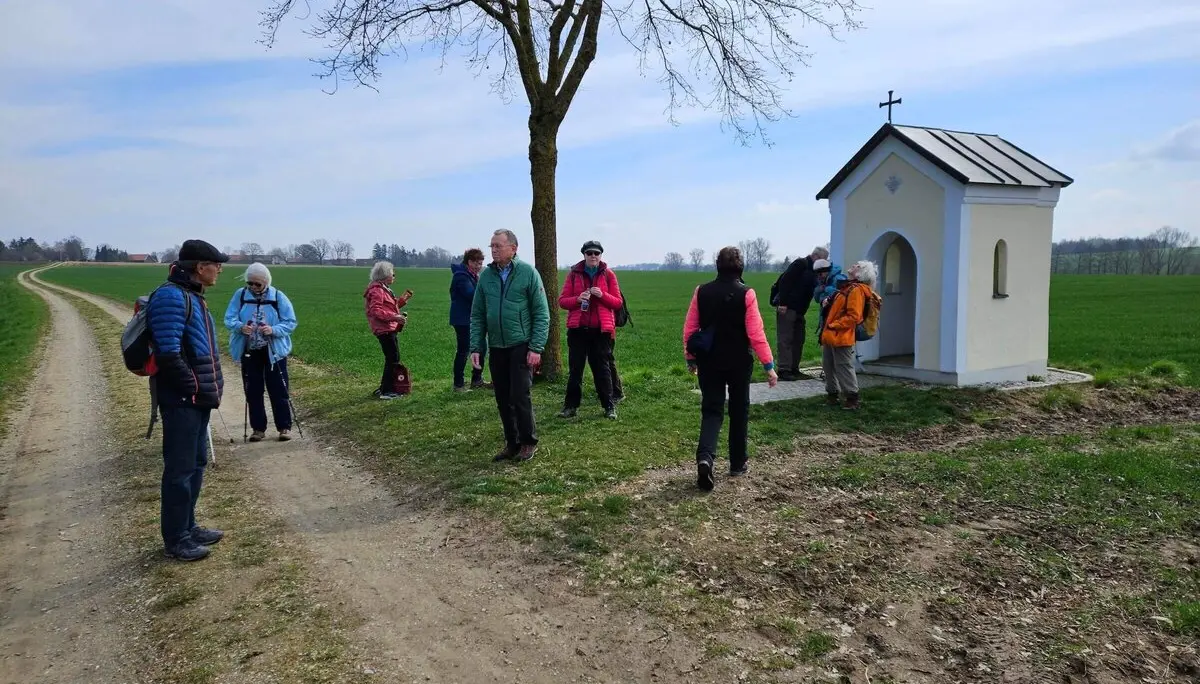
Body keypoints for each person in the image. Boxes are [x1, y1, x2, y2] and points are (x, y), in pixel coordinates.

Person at [147, 239, 230, 562]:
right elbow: (168, 353)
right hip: (183, 398)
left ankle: (189, 526)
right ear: (199, 267)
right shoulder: (170, 297)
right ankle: (176, 538)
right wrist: (193, 387)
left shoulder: (192, 295)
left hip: (197, 397)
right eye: (216, 265)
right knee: (179, 470)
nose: (219, 270)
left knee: (195, 463)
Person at [683, 246, 778, 492]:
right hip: (738, 361)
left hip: (709, 360)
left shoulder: (701, 291)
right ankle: (737, 463)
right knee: (739, 411)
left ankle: (705, 458)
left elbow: (690, 328)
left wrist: (690, 357)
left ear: (717, 265)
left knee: (711, 411)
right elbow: (756, 334)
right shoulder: (747, 293)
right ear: (740, 267)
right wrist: (768, 365)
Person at [469, 229, 550, 463]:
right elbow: (477, 314)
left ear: (513, 248)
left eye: (498, 246)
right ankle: (512, 443)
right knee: (502, 396)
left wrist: (536, 347)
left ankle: (528, 441)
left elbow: (541, 313)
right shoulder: (486, 276)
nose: (493, 250)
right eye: (492, 246)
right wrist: (476, 347)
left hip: (521, 344)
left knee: (519, 394)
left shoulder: (527, 273)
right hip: (497, 346)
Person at [224, 262, 298, 442]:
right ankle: (258, 429)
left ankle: (284, 427)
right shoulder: (240, 295)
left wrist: (273, 330)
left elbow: (290, 322)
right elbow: (229, 318)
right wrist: (240, 327)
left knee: (279, 389)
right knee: (253, 390)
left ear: (266, 282)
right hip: (249, 349)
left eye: (257, 284)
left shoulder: (278, 297)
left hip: (274, 351)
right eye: (249, 283)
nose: (253, 287)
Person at [557, 240, 623, 420]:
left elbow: (617, 302)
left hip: (600, 331)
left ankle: (609, 406)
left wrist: (602, 295)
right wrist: (578, 299)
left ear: (601, 255)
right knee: (575, 370)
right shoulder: (574, 274)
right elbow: (562, 301)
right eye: (589, 253)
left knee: (602, 370)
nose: (593, 256)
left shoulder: (608, 274)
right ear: (584, 255)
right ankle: (570, 407)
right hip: (578, 329)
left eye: (596, 253)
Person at [820, 260, 878, 411]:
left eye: (858, 265)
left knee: (843, 366)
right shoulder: (848, 287)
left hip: (841, 334)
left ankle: (852, 398)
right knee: (828, 365)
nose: (854, 265)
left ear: (861, 273)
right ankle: (832, 395)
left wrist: (834, 325)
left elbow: (854, 316)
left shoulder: (856, 290)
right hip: (832, 333)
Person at [772, 246, 828, 381]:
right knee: (785, 339)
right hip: (788, 308)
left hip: (800, 310)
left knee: (799, 339)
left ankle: (794, 368)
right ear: (816, 256)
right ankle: (784, 370)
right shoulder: (800, 264)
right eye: (823, 259)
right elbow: (785, 281)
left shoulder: (813, 271)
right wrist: (783, 303)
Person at [364, 261, 412, 400]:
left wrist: (400, 302)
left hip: (387, 328)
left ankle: (384, 387)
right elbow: (376, 310)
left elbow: (387, 307)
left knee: (391, 358)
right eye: (392, 274)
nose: (394, 276)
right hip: (384, 329)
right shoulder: (377, 290)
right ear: (384, 275)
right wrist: (395, 317)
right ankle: (387, 391)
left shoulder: (383, 288)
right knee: (393, 358)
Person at [449, 248, 490, 392]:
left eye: (481, 264)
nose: (479, 266)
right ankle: (458, 384)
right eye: (477, 263)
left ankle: (477, 379)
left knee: (482, 347)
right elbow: (471, 294)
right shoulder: (461, 276)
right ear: (469, 262)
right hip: (462, 320)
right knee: (463, 350)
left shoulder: (472, 275)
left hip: (473, 319)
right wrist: (487, 290)